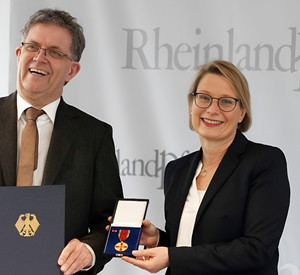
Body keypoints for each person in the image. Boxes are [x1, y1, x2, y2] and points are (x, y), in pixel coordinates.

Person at [122, 60, 290, 275]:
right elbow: (189, 243)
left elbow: (257, 250)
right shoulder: (177, 170)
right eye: (204, 98)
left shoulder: (265, 161)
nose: (212, 109)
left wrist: (172, 256)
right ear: (191, 103)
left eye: (226, 102)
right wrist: (158, 240)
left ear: (242, 113)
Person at [0, 8, 123, 275]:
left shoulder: (95, 135)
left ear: (72, 70)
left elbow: (112, 221)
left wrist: (89, 250)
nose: (40, 57)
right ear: (19, 54)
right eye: (32, 46)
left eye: (55, 52)